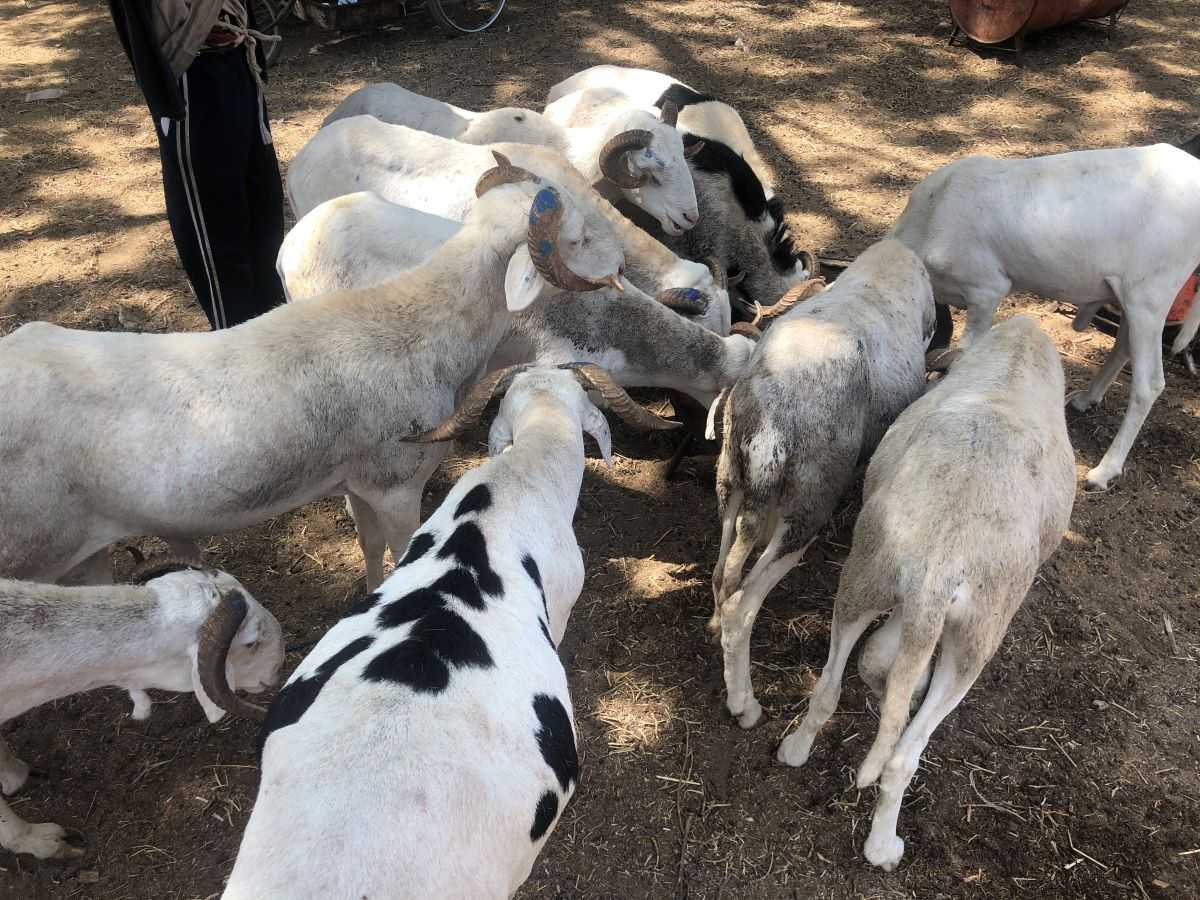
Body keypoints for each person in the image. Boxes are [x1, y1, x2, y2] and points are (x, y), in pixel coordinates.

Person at [107, 0, 286, 329]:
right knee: (215, 231)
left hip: (241, 66)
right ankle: (236, 342)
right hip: (192, 75)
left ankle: (277, 332)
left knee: (264, 214)